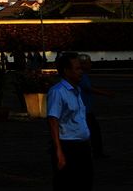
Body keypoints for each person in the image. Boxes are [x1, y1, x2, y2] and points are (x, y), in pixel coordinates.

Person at [48, 52, 93, 190]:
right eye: (77, 68)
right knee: (67, 184)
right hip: (68, 146)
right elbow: (53, 121)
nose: (81, 71)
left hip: (83, 145)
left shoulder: (76, 90)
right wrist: (59, 151)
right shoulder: (58, 92)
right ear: (67, 71)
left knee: (84, 183)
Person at [78, 54, 113, 159]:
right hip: (85, 110)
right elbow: (89, 89)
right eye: (89, 62)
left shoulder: (82, 76)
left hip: (85, 109)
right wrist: (106, 93)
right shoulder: (82, 76)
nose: (91, 64)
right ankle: (96, 152)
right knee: (94, 131)